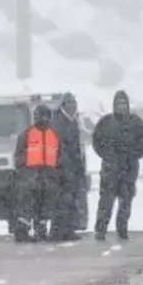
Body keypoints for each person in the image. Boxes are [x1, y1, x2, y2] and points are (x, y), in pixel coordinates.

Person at [92, 90, 143, 241]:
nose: (121, 106)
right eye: (118, 104)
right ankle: (101, 230)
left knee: (125, 202)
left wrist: (134, 154)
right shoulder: (105, 122)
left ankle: (122, 229)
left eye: (124, 103)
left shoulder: (135, 122)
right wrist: (107, 155)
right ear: (114, 105)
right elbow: (96, 140)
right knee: (106, 202)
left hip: (129, 169)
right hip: (110, 169)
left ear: (128, 105)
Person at [13, 104, 62, 242]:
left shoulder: (55, 135)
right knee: (27, 206)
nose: (44, 119)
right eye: (41, 115)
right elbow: (18, 156)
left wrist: (56, 174)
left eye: (47, 116)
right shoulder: (26, 134)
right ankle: (22, 231)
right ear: (36, 117)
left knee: (46, 208)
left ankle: (41, 230)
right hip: (30, 177)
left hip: (49, 177)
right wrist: (24, 173)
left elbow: (60, 157)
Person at [49, 92, 88, 241]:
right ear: (63, 105)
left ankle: (68, 229)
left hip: (73, 167)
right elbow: (60, 148)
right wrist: (67, 168)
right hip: (62, 169)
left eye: (74, 103)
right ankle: (58, 231)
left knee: (71, 200)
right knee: (62, 202)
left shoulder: (73, 121)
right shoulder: (59, 122)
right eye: (70, 103)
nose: (73, 106)